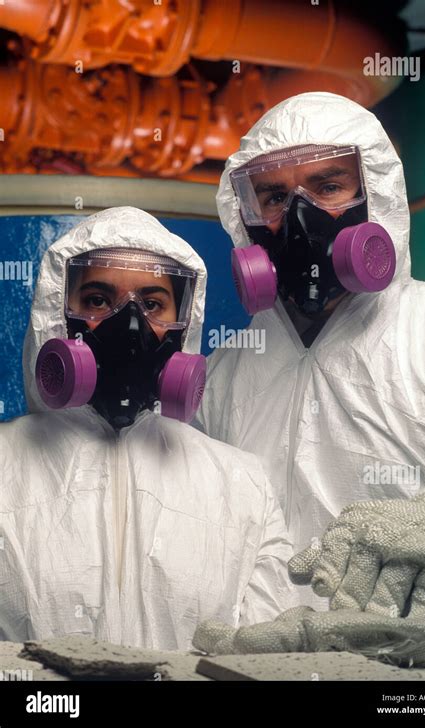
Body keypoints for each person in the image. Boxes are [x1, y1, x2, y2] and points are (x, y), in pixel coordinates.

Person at [195, 92, 425, 628]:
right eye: (274, 198)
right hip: (251, 666)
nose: (299, 218)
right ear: (246, 220)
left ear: (377, 197)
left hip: (413, 670)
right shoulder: (222, 376)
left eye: (327, 187)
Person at [0, 206, 297, 650]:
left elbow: (265, 657)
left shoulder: (242, 485)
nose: (132, 324)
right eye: (99, 300)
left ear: (185, 323)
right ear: (57, 315)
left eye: (153, 304)